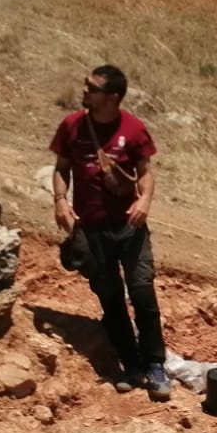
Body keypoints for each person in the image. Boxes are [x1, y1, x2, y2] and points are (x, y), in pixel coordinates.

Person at [51, 65, 169, 398]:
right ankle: (130, 365)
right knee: (111, 298)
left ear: (112, 97)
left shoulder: (133, 130)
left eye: (91, 87)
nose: (84, 90)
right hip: (91, 229)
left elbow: (145, 173)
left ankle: (155, 365)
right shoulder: (72, 126)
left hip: (129, 227)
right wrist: (60, 200)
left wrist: (145, 199)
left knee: (142, 293)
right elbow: (61, 168)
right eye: (86, 85)